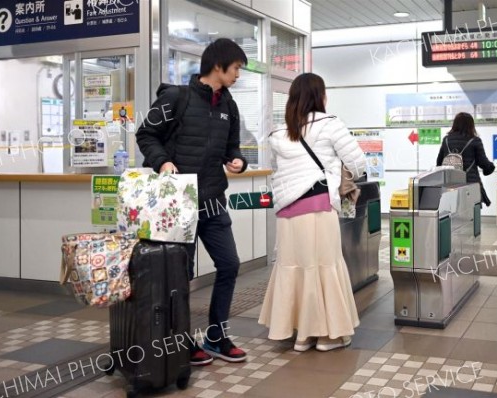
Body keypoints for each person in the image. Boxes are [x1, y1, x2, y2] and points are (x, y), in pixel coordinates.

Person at [136, 38, 249, 366]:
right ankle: (181, 341)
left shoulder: (229, 105)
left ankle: (216, 336)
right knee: (179, 274)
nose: (238, 74)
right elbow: (146, 134)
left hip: (212, 199)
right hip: (177, 201)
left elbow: (234, 146)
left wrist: (237, 160)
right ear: (218, 66)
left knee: (229, 264)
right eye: (237, 68)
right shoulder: (176, 97)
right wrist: (162, 162)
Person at [258, 73, 366, 352]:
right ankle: (327, 336)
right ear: (320, 96)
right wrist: (345, 175)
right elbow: (358, 162)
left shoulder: (280, 132)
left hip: (287, 213)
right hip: (318, 208)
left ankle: (302, 335)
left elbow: (278, 172)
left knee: (294, 268)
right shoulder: (330, 125)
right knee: (323, 266)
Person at [436, 112, 495, 206]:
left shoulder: (446, 140)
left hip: (450, 184)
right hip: (470, 184)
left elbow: (439, 162)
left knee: (452, 212)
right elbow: (483, 163)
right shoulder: (475, 140)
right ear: (471, 125)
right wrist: (490, 167)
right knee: (471, 214)